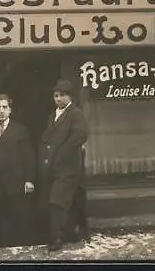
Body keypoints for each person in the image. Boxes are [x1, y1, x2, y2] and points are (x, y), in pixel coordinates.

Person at [37, 78, 90, 252]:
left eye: (62, 95)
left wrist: (61, 155)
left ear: (70, 97)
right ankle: (76, 233)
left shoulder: (75, 113)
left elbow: (81, 135)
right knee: (68, 201)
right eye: (56, 95)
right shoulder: (52, 116)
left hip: (69, 167)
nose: (58, 99)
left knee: (57, 201)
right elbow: (48, 139)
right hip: (54, 168)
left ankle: (56, 239)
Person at [0, 94, 37, 247]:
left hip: (16, 184)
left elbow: (29, 156)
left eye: (4, 107)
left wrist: (29, 179)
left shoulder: (20, 130)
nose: (1, 111)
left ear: (10, 110)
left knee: (19, 219)